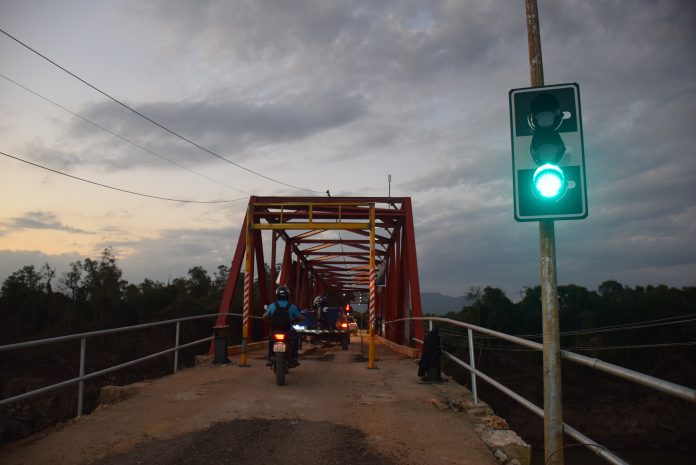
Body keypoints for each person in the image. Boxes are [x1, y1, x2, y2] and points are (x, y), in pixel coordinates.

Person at [264, 286, 302, 367]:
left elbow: (264, 316)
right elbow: (301, 317)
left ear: (277, 295)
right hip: (288, 330)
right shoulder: (292, 306)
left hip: (275, 330)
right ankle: (294, 359)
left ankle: (270, 357)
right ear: (288, 295)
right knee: (296, 340)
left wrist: (269, 319)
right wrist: (298, 320)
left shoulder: (272, 305)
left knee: (271, 340)